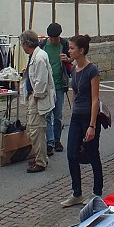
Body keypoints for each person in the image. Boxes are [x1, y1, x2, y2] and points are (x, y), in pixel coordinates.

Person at [61, 34, 103, 207]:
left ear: (81, 50)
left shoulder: (92, 70)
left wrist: (92, 125)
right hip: (77, 117)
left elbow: (95, 99)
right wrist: (73, 110)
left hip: (89, 117)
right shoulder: (73, 69)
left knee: (92, 154)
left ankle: (97, 192)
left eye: (71, 48)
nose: (69, 51)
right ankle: (76, 193)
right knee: (71, 154)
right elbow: (75, 92)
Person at [20, 29, 55, 173]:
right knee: (34, 130)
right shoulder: (36, 55)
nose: (22, 46)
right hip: (34, 97)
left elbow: (41, 81)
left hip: (38, 98)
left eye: (23, 43)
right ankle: (40, 157)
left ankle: (41, 161)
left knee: (36, 130)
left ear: (27, 43)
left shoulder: (39, 57)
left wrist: (35, 96)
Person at [39, 23, 70, 156]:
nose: (54, 40)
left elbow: (72, 59)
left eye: (56, 37)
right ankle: (50, 142)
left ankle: (57, 140)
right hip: (46, 85)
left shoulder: (64, 44)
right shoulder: (42, 45)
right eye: (52, 37)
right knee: (47, 114)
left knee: (57, 115)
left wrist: (67, 59)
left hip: (59, 84)